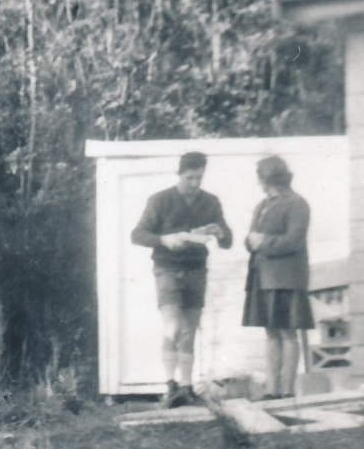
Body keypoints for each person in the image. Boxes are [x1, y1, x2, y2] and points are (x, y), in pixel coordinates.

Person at [131, 150, 232, 407]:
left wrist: (220, 232)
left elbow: (228, 241)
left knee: (189, 329)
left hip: (196, 269)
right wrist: (164, 239)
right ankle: (170, 386)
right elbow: (138, 234)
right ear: (179, 175)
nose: (194, 184)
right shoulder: (161, 200)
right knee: (172, 327)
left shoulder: (210, 202)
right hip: (167, 267)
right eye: (189, 178)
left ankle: (186, 389)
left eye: (199, 178)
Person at [242, 155, 314, 400]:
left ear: (270, 178)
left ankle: (287, 389)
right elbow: (251, 237)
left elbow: (294, 240)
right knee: (271, 332)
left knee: (287, 333)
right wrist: (251, 242)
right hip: (263, 277)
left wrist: (264, 242)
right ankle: (272, 389)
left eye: (260, 178)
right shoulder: (261, 206)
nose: (258, 183)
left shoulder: (297, 204)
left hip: (287, 278)